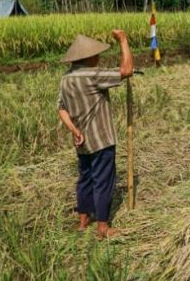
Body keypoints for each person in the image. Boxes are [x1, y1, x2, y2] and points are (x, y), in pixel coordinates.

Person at [57, 31, 133, 238]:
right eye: (96, 55)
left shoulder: (66, 79)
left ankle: (83, 220)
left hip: (81, 140)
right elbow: (127, 70)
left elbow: (61, 109)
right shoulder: (92, 75)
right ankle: (102, 226)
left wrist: (74, 130)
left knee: (85, 178)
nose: (98, 58)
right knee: (103, 181)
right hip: (101, 139)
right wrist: (124, 41)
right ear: (89, 57)